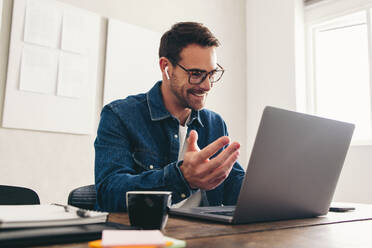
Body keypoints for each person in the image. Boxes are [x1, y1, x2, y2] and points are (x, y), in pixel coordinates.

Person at [94, 22, 245, 212]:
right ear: (166, 67)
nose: (207, 86)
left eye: (212, 74)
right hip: (145, 235)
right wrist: (182, 178)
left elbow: (235, 188)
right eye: (196, 74)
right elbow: (109, 194)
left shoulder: (214, 124)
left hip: (205, 237)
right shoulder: (119, 115)